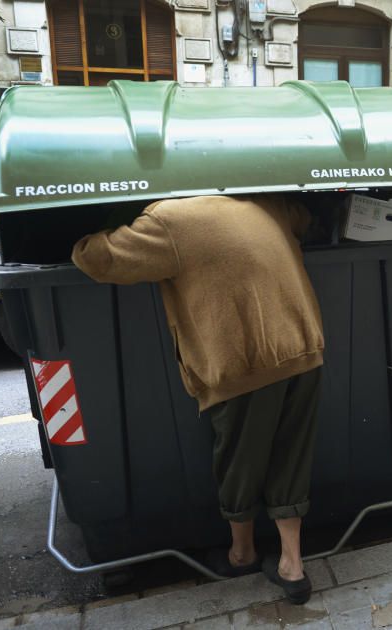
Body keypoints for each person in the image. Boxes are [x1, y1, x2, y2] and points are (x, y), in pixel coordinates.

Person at [72, 194, 324, 604]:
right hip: (303, 349)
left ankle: (242, 554)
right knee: (291, 457)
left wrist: (90, 227)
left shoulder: (168, 220)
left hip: (244, 364)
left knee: (239, 462)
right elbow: (304, 217)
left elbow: (96, 258)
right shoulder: (262, 202)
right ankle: (292, 567)